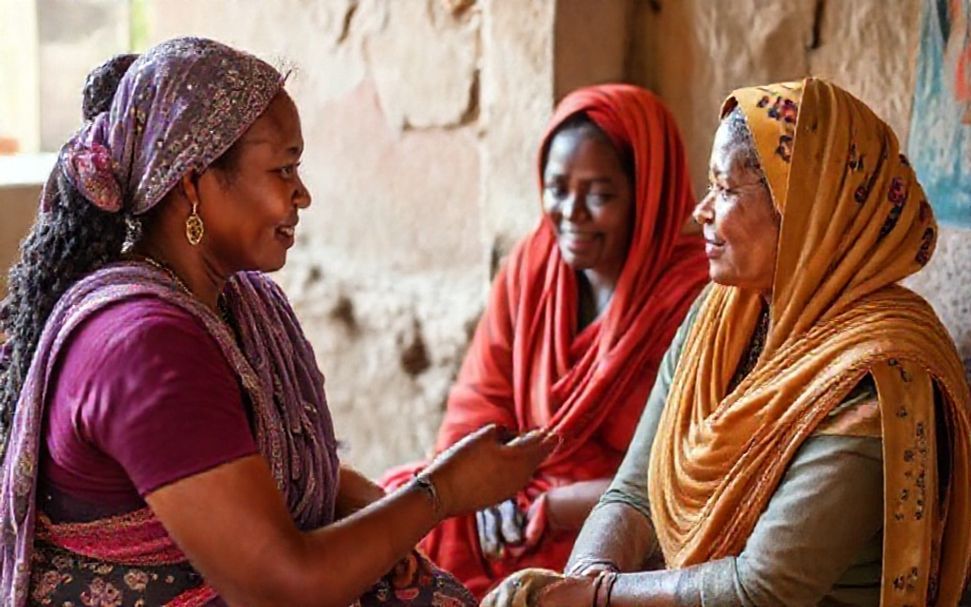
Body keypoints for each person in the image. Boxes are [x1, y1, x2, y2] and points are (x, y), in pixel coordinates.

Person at [0, 37, 557, 607]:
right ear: (193, 183)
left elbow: (262, 462)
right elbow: (281, 587)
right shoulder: (143, 344)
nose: (302, 194)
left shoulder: (237, 302)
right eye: (282, 169)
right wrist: (439, 493)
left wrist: (378, 521)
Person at [482, 78, 971, 607]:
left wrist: (596, 596)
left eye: (727, 189)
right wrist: (585, 576)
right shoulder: (722, 315)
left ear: (804, 209)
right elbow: (635, 489)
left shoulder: (876, 375)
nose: (703, 210)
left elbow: (765, 587)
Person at [382, 84, 708, 598]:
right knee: (399, 508)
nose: (571, 213)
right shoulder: (534, 268)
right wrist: (477, 486)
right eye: (557, 189)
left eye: (599, 195)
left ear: (646, 196)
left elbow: (695, 475)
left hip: (620, 520)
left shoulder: (696, 299)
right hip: (515, 497)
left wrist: (556, 506)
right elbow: (480, 399)